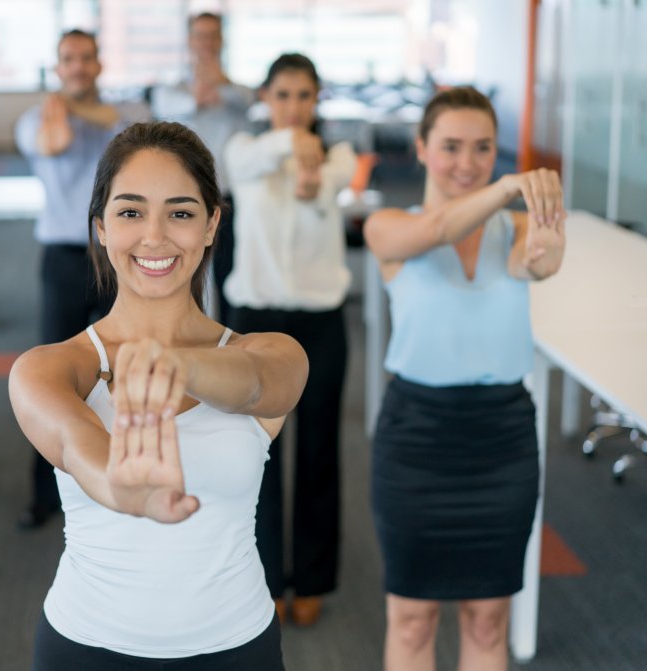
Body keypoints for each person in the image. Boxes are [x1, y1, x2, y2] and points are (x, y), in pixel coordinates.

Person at [9, 121, 307, 670]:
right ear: (99, 227)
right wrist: (128, 494)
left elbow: (260, 385)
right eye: (129, 212)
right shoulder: (51, 368)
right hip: (85, 648)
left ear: (213, 223)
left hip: (236, 649)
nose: (154, 236)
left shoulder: (273, 351)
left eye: (180, 212)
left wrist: (175, 364)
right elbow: (78, 445)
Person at [364, 86, 565, 671]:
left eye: (483, 147)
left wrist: (547, 253)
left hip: (501, 438)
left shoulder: (519, 229)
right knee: (411, 617)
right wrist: (507, 186)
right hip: (415, 438)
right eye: (451, 146)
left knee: (488, 618)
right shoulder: (388, 227)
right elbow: (436, 232)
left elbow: (540, 260)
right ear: (421, 148)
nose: (468, 162)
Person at [223, 53, 357, 625]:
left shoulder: (340, 157)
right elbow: (246, 166)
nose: (294, 107)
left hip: (321, 321)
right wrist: (289, 143)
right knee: (257, 454)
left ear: (318, 98)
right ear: (265, 97)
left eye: (305, 96)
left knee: (319, 450)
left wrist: (309, 170)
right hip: (254, 318)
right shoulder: (243, 149)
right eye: (283, 95)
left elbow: (319, 191)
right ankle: (264, 579)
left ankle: (314, 577)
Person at [14, 29, 148, 529]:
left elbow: (133, 127)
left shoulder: (124, 115)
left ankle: (129, 475)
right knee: (52, 376)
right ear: (58, 64)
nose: (77, 66)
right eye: (68, 58)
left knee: (128, 368)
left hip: (119, 260)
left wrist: (76, 108)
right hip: (65, 259)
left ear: (97, 64)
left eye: (85, 58)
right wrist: (65, 112)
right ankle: (45, 493)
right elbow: (54, 141)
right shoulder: (36, 120)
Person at [150, 12, 254, 324]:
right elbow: (166, 105)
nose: (206, 43)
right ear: (189, 41)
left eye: (212, 36)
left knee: (230, 277)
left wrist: (219, 87)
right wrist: (198, 96)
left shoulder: (237, 93)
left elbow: (249, 101)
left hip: (228, 199)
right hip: (182, 201)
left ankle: (230, 353)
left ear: (222, 41)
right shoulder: (171, 91)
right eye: (200, 36)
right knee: (182, 276)